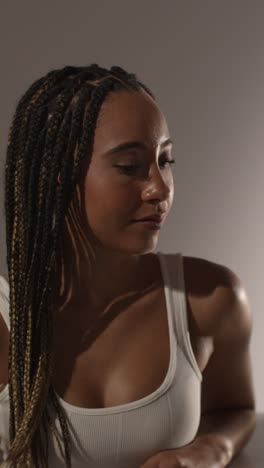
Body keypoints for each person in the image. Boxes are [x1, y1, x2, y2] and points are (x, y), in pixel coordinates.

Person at [0, 64, 256, 467]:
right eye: (130, 167)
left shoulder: (208, 300)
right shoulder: (5, 319)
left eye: (166, 160)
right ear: (57, 177)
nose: (160, 188)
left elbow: (235, 409)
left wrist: (210, 449)